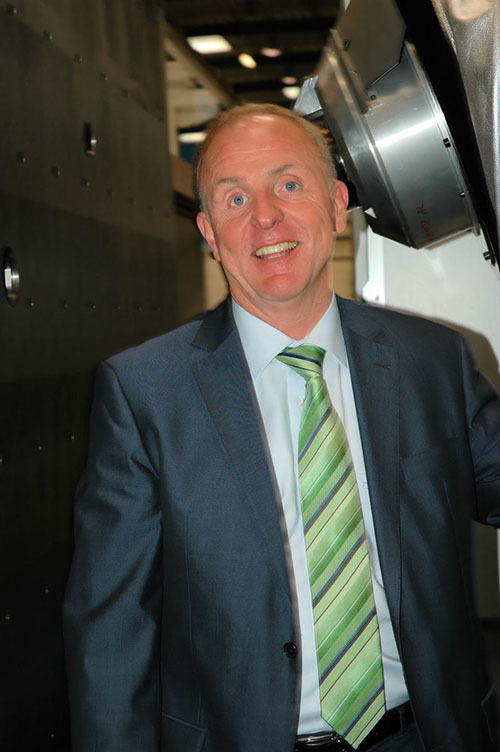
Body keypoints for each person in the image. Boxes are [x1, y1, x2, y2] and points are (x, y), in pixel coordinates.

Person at [63, 103, 500, 752]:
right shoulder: (145, 392)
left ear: (336, 204)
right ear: (209, 232)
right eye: (235, 198)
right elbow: (112, 630)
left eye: (289, 184)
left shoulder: (432, 361)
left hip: (426, 735)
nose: (264, 216)